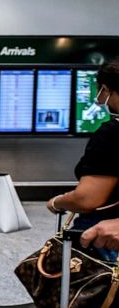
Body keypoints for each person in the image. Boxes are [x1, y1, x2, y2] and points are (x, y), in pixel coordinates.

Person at [47, 60, 119, 262]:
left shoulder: (111, 134)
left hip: (105, 242)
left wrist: (57, 202)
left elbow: (88, 199)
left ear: (106, 89)